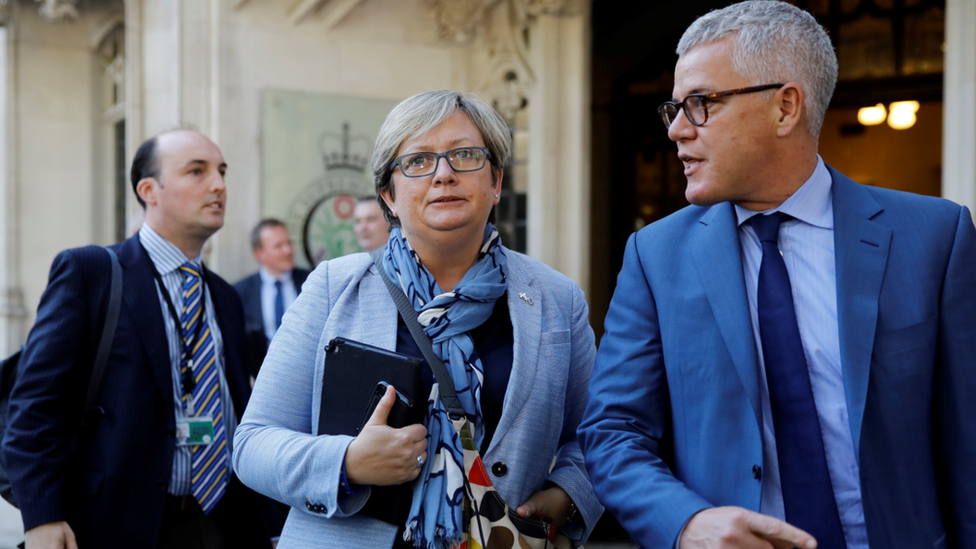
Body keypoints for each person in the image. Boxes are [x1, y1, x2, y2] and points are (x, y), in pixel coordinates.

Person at [577, 2, 976, 549]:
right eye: (674, 108)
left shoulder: (935, 236)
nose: (675, 130)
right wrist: (685, 522)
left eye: (700, 104)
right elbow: (613, 431)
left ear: (785, 108)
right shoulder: (655, 254)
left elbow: (968, 437)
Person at [233, 90, 602, 548]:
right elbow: (252, 445)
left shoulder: (556, 299)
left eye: (465, 156)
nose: (444, 174)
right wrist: (346, 462)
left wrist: (567, 496)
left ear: (497, 182)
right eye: (418, 161)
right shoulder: (333, 286)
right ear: (388, 194)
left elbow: (597, 435)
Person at [2, 130, 272, 549]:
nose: (218, 185)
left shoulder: (226, 297)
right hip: (118, 526)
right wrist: (43, 518)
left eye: (221, 172)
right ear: (149, 190)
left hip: (222, 523)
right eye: (196, 171)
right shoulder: (90, 272)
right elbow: (36, 407)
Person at [234, 219, 311, 378]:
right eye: (278, 246)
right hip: (261, 381)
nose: (288, 250)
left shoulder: (312, 282)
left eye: (289, 243)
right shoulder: (240, 292)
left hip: (305, 377)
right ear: (259, 253)